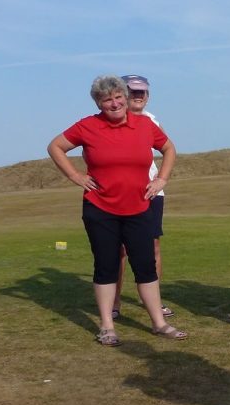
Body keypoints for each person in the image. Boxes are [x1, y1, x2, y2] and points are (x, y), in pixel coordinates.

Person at [47, 75, 186, 344]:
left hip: (139, 207)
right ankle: (107, 326)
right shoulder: (88, 126)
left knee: (146, 267)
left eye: (118, 96)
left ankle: (159, 323)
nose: (114, 103)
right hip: (101, 209)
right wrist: (76, 176)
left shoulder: (145, 124)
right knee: (106, 266)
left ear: (125, 96)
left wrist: (162, 180)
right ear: (99, 103)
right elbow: (55, 147)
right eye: (106, 99)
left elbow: (168, 148)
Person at [112, 74, 174, 321]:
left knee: (153, 247)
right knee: (120, 250)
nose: (138, 96)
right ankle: (114, 303)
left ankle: (153, 302)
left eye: (142, 92)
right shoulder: (112, 119)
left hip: (151, 193)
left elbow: (168, 149)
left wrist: (161, 179)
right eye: (132, 91)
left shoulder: (151, 121)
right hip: (122, 194)